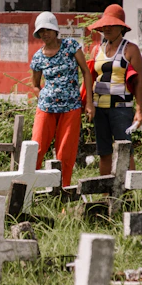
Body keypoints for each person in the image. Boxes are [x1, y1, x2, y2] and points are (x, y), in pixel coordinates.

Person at [30, 11, 95, 187]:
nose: (45, 33)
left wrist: (88, 102)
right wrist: (42, 95)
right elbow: (35, 85)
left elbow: (86, 73)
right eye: (41, 31)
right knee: (36, 148)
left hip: (71, 107)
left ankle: (62, 191)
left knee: (65, 152)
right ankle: (28, 190)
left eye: (48, 29)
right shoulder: (37, 57)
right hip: (46, 108)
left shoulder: (71, 46)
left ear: (55, 30)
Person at [87, 4, 142, 175]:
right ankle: (106, 194)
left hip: (122, 109)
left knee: (125, 150)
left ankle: (129, 194)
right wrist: (89, 104)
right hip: (99, 108)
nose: (107, 28)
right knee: (104, 152)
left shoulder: (130, 49)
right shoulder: (96, 49)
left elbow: (139, 83)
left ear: (121, 27)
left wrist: (139, 110)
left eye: (112, 24)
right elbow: (89, 79)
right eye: (105, 25)